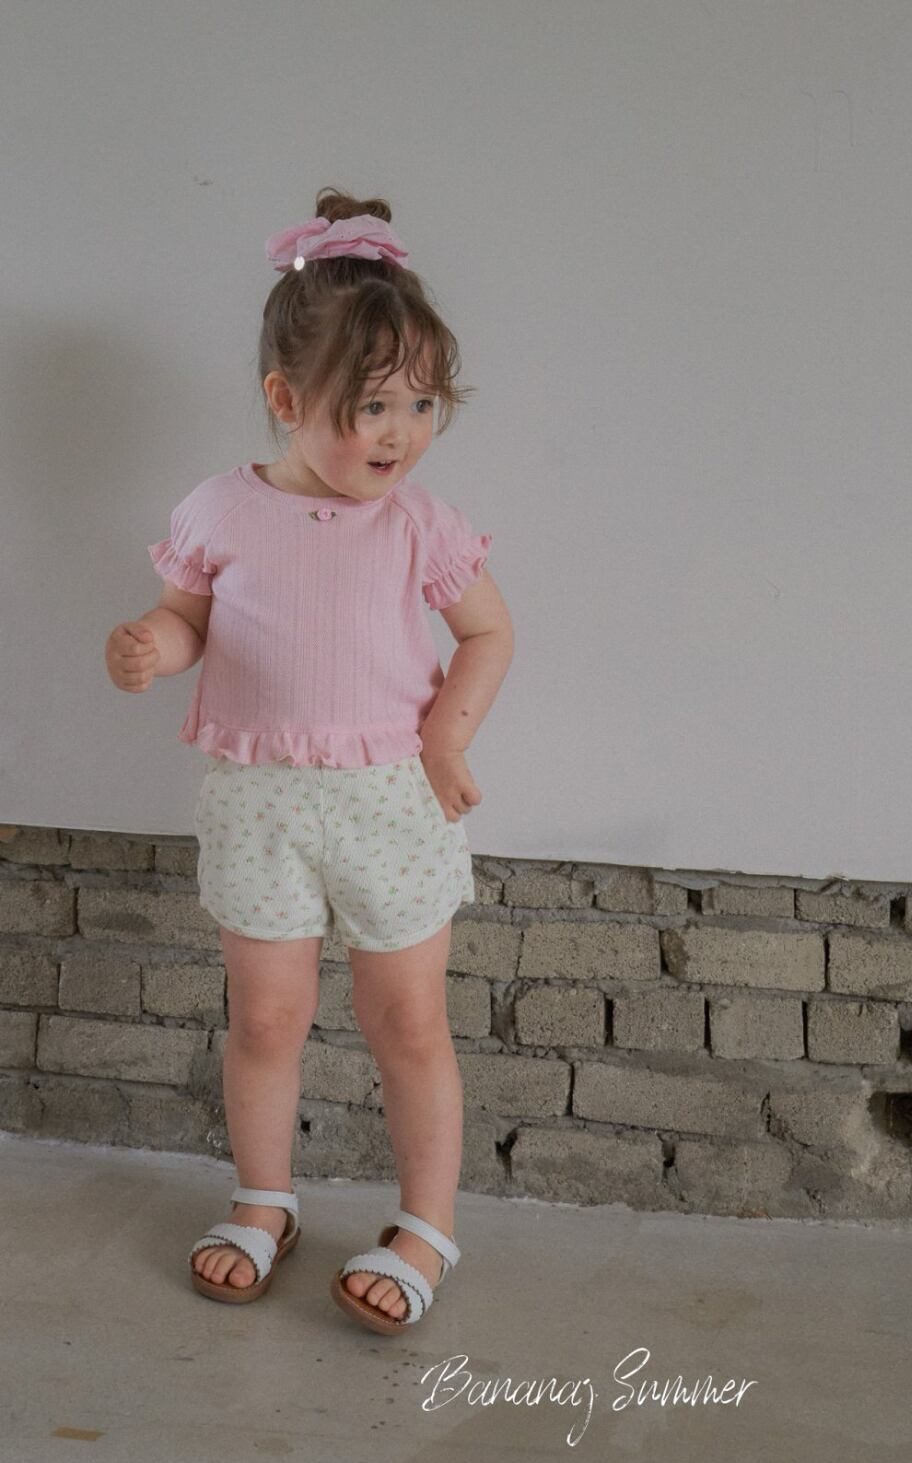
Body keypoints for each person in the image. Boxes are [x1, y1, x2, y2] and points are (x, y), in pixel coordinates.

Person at [104, 186, 514, 1335]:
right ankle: (263, 1200)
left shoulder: (419, 523)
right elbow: (187, 619)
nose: (400, 432)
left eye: (421, 403)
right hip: (260, 802)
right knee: (266, 1019)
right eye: (371, 405)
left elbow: (489, 632)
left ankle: (426, 1222)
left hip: (390, 800)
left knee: (409, 1022)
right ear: (287, 399)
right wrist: (154, 645)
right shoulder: (221, 510)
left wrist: (445, 734)